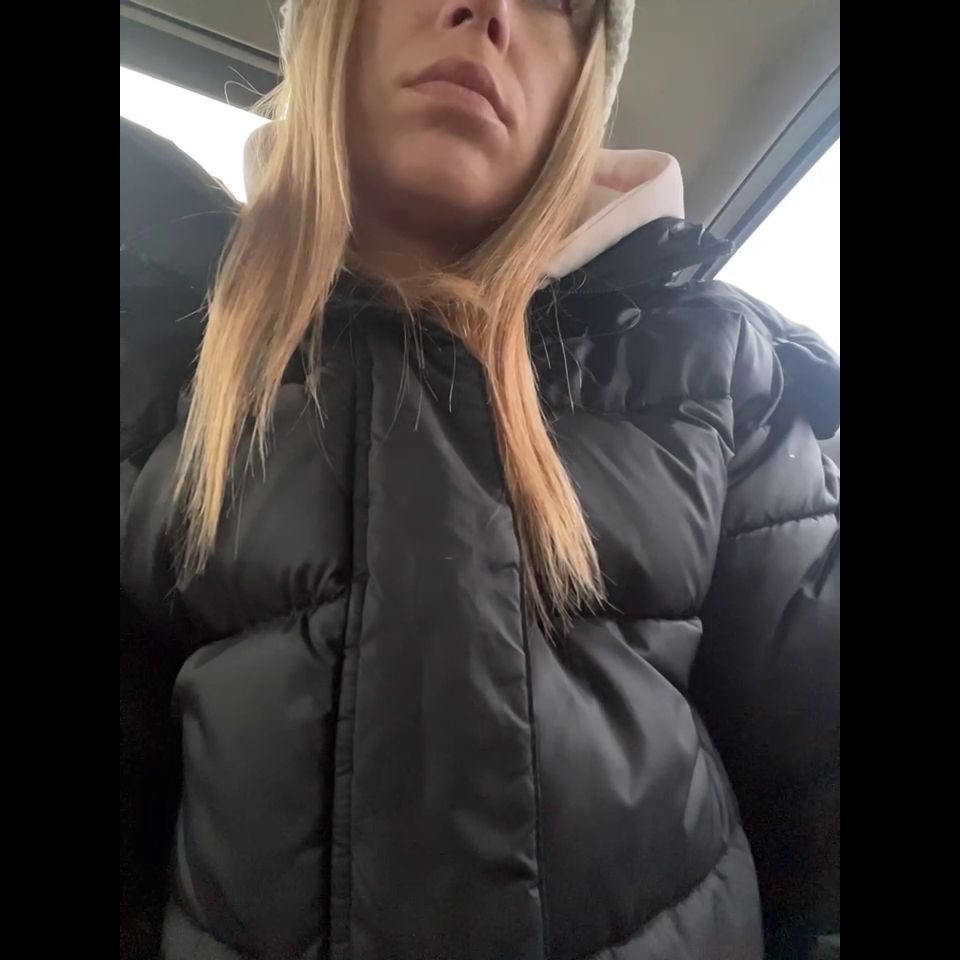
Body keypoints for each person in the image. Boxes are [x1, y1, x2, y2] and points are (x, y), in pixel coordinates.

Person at [120, 1, 840, 958]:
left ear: (582, 87)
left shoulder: (716, 373)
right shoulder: (166, 366)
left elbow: (817, 808)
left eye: (559, 2)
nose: (490, 12)